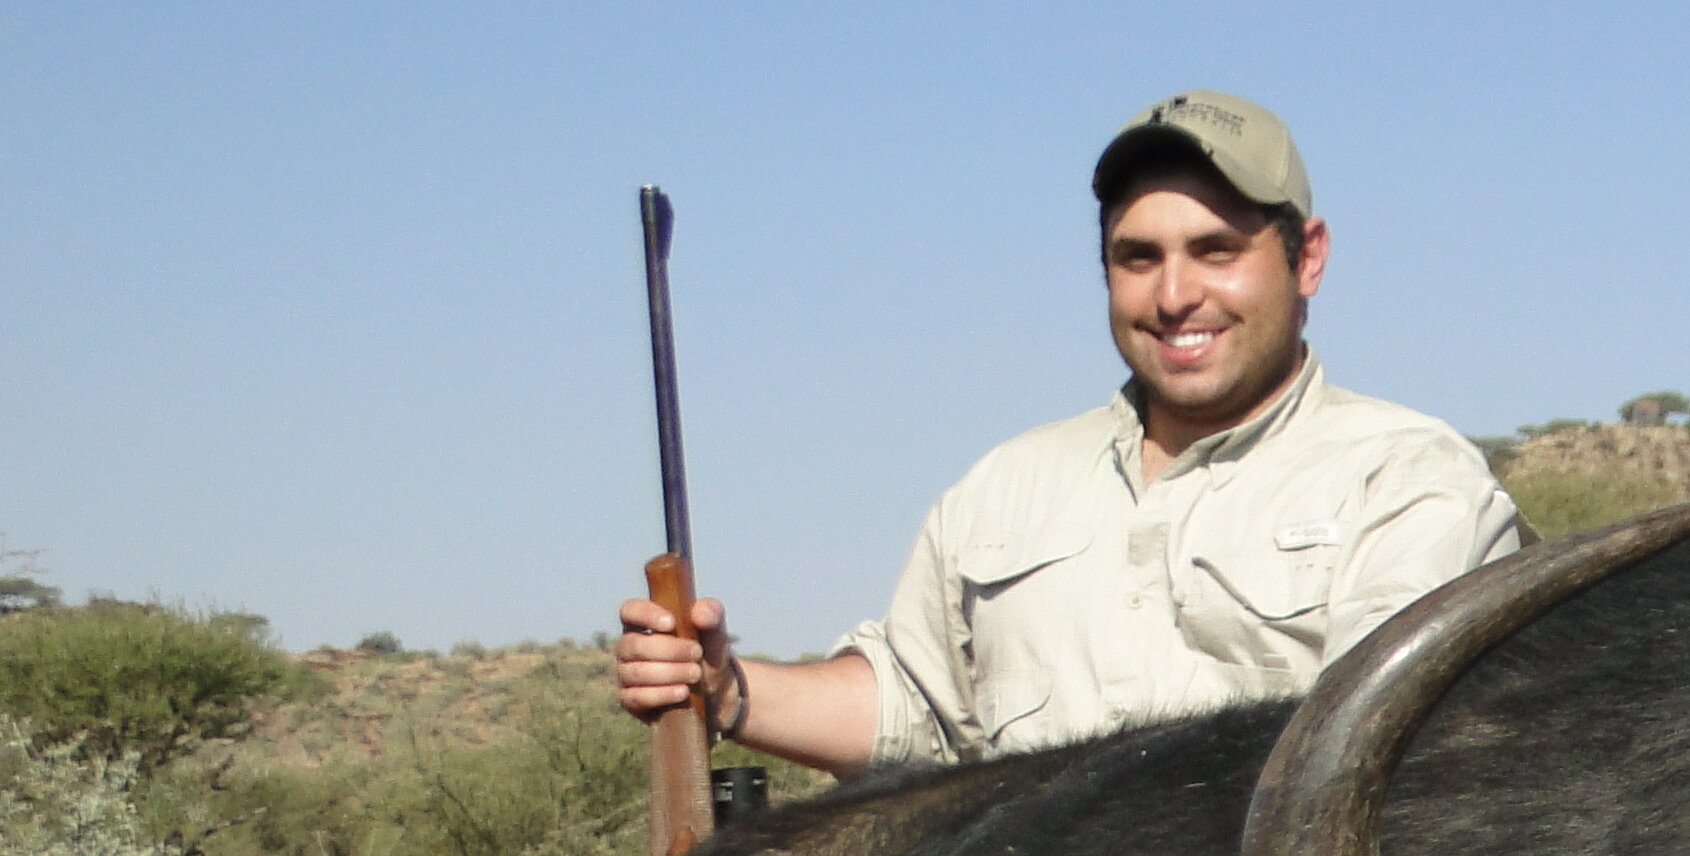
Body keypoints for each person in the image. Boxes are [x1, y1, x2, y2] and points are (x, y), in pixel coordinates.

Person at [614, 91, 1523, 774]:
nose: (1175, 296)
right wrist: (724, 688)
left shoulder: (1408, 481)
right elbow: (913, 709)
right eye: (1140, 258)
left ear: (1306, 256)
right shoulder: (1005, 487)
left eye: (1216, 250)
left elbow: (1380, 761)